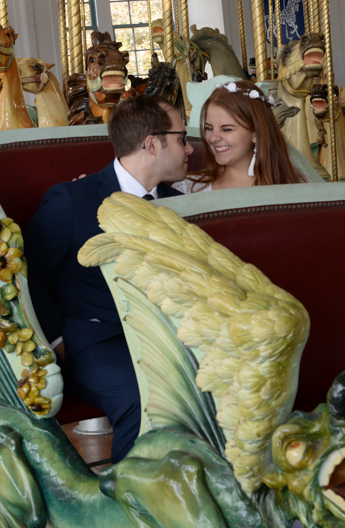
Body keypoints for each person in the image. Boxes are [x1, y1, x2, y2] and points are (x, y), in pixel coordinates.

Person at [23, 95, 190, 462]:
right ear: (152, 144)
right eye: (181, 137)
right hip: (95, 339)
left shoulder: (178, 204)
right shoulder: (71, 199)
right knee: (143, 397)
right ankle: (132, 505)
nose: (189, 148)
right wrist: (56, 339)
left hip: (165, 335)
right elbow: (29, 271)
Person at [176, 80, 307, 193]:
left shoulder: (297, 185)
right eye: (208, 128)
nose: (213, 138)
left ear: (256, 133)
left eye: (226, 129)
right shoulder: (188, 189)